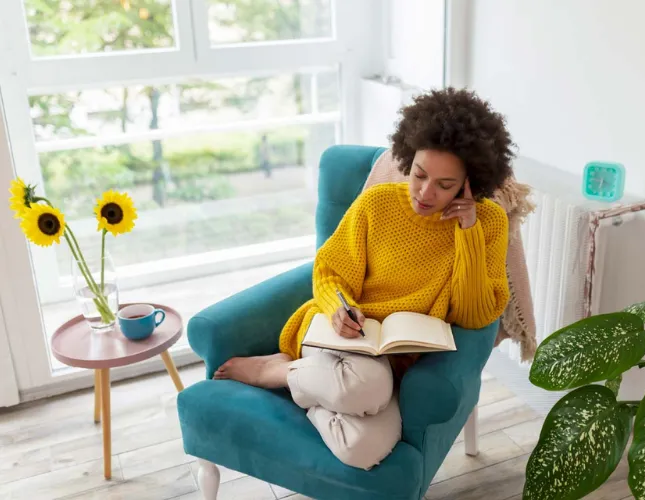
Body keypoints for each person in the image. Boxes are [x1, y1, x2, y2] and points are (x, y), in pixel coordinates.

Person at [214, 87, 514, 470]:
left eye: (445, 185)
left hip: (394, 359)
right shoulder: (377, 204)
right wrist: (339, 308)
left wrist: (467, 231)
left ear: (469, 184)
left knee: (362, 449)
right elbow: (329, 270)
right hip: (341, 336)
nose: (425, 192)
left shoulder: (488, 223)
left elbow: (474, 315)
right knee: (364, 387)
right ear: (409, 157)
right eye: (420, 174)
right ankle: (273, 371)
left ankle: (301, 383)